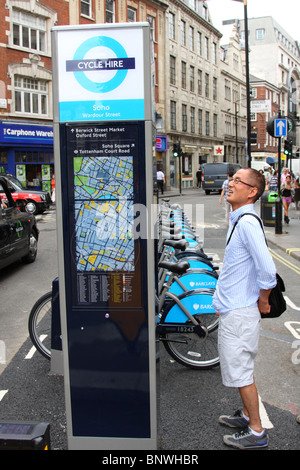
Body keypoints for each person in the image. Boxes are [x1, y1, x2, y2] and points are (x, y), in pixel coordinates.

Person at [213, 168, 277, 449]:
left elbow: (268, 271)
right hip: (234, 308)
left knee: (240, 372)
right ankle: (249, 415)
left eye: (237, 181)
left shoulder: (248, 223)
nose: (230, 183)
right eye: (232, 179)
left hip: (241, 313)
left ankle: (256, 431)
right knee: (240, 369)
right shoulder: (239, 217)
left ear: (252, 191)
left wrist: (263, 300)